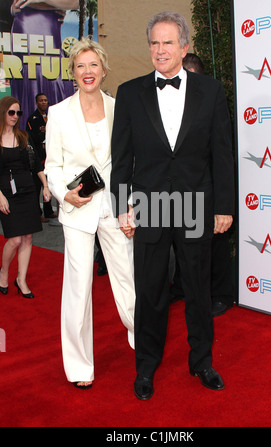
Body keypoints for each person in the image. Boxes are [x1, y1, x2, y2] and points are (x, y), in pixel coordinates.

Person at [111, 12, 235, 400]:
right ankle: (145, 367)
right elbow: (121, 157)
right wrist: (121, 206)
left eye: (168, 43)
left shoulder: (211, 91)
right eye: (154, 43)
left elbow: (222, 155)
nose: (160, 50)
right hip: (148, 204)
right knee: (150, 290)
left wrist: (224, 207)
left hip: (196, 202)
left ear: (184, 46)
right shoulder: (130, 93)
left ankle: (202, 361)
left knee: (198, 288)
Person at [45, 37, 136, 390]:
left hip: (115, 208)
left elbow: (129, 163)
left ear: (103, 69)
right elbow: (52, 166)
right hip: (78, 210)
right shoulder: (58, 113)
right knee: (79, 290)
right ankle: (80, 366)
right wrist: (64, 194)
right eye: (81, 66)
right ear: (73, 72)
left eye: (93, 65)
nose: (88, 72)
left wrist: (130, 208)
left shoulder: (119, 108)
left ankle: (140, 338)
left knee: (128, 277)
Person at [169, 52, 235, 317]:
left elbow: (222, 154)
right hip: (178, 189)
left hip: (208, 188)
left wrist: (223, 203)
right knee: (181, 242)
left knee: (215, 244)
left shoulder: (211, 102)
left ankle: (221, 294)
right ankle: (182, 287)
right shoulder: (170, 105)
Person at [0, 96, 51, 298]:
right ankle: (4, 272)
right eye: (11, 112)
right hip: (6, 194)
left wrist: (45, 186)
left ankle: (21, 279)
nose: (15, 116)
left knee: (28, 237)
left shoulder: (23, 136)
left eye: (18, 112)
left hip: (28, 190)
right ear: (3, 112)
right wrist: (0, 196)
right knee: (14, 239)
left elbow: (36, 163)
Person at [11, 0, 78, 129]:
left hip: (51, 29)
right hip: (26, 27)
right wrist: (55, 4)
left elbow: (76, 3)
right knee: (30, 76)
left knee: (56, 81)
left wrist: (40, 1)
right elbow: (22, 3)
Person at [26, 93, 57, 222]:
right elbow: (30, 138)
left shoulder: (52, 116)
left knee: (48, 185)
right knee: (37, 187)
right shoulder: (32, 118)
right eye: (41, 101)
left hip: (50, 158)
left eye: (45, 100)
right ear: (36, 103)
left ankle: (48, 211)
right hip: (38, 159)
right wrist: (42, 132)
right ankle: (37, 214)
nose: (44, 102)